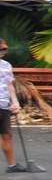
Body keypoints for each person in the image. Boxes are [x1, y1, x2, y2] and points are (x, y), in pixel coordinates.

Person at [0, 38, 26, 172]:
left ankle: (12, 165)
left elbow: (9, 85)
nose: (3, 51)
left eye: (5, 49)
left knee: (7, 135)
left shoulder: (6, 65)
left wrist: (15, 102)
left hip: (4, 104)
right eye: (1, 49)